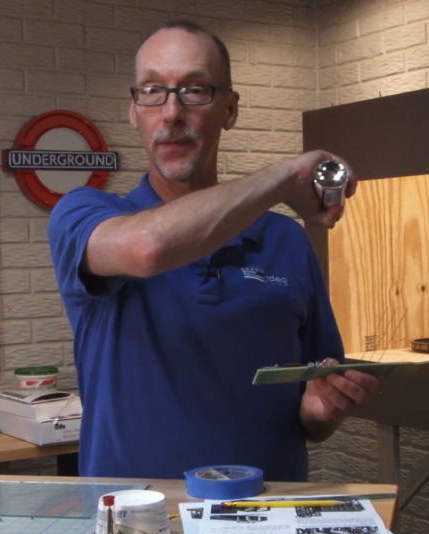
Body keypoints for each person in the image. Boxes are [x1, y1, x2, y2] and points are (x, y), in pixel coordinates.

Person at [48, 20, 380, 481]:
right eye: (152, 91)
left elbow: (311, 412)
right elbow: (147, 248)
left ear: (230, 108)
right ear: (133, 110)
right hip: (140, 525)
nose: (171, 113)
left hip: (267, 525)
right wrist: (284, 177)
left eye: (195, 90)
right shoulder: (84, 215)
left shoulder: (285, 241)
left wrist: (322, 411)